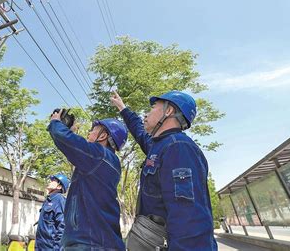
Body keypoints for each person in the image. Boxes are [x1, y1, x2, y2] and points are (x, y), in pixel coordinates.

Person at [111, 90, 218, 250]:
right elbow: (139, 131)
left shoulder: (178, 148)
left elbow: (188, 217)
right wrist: (122, 108)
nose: (145, 115)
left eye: (152, 108)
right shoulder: (159, 146)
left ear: (168, 111)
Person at [47, 109, 128, 250]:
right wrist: (69, 130)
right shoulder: (106, 161)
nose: (88, 133)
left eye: (93, 130)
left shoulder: (100, 156)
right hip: (100, 241)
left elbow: (66, 140)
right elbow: (78, 149)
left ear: (103, 136)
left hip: (90, 242)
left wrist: (55, 122)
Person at [35, 173, 69, 250]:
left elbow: (62, 226)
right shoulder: (48, 200)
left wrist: (57, 248)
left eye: (54, 180)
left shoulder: (59, 200)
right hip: (40, 245)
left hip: (50, 247)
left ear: (59, 186)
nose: (50, 181)